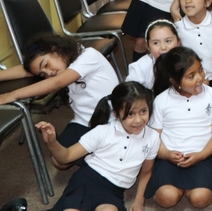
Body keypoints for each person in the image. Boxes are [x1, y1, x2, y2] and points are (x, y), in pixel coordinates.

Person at [0, 35, 118, 169]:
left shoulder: (88, 56)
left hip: (111, 121)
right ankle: (104, 153)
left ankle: (109, 152)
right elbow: (26, 70)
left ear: (55, 49)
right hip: (84, 121)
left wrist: (12, 95)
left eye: (46, 65)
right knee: (58, 161)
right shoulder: (63, 61)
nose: (48, 73)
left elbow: (57, 82)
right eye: (43, 74)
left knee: (84, 157)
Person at [35, 82, 159, 211]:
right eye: (130, 114)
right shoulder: (102, 131)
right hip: (86, 180)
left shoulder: (153, 137)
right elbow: (65, 157)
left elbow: (146, 172)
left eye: (143, 111)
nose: (138, 120)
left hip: (113, 191)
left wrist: (139, 201)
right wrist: (52, 142)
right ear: (116, 113)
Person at [146, 47, 212, 208]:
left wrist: (201, 155)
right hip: (169, 159)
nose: (200, 78)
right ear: (175, 82)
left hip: (203, 155)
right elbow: (154, 137)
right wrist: (167, 154)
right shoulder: (162, 100)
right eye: (191, 76)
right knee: (167, 198)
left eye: (200, 70)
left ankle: (191, 188)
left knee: (200, 199)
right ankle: (177, 186)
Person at [127, 20, 181, 90]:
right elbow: (131, 95)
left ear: (178, 42)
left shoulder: (188, 61)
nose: (163, 47)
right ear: (148, 46)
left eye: (168, 41)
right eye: (156, 43)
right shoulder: (140, 68)